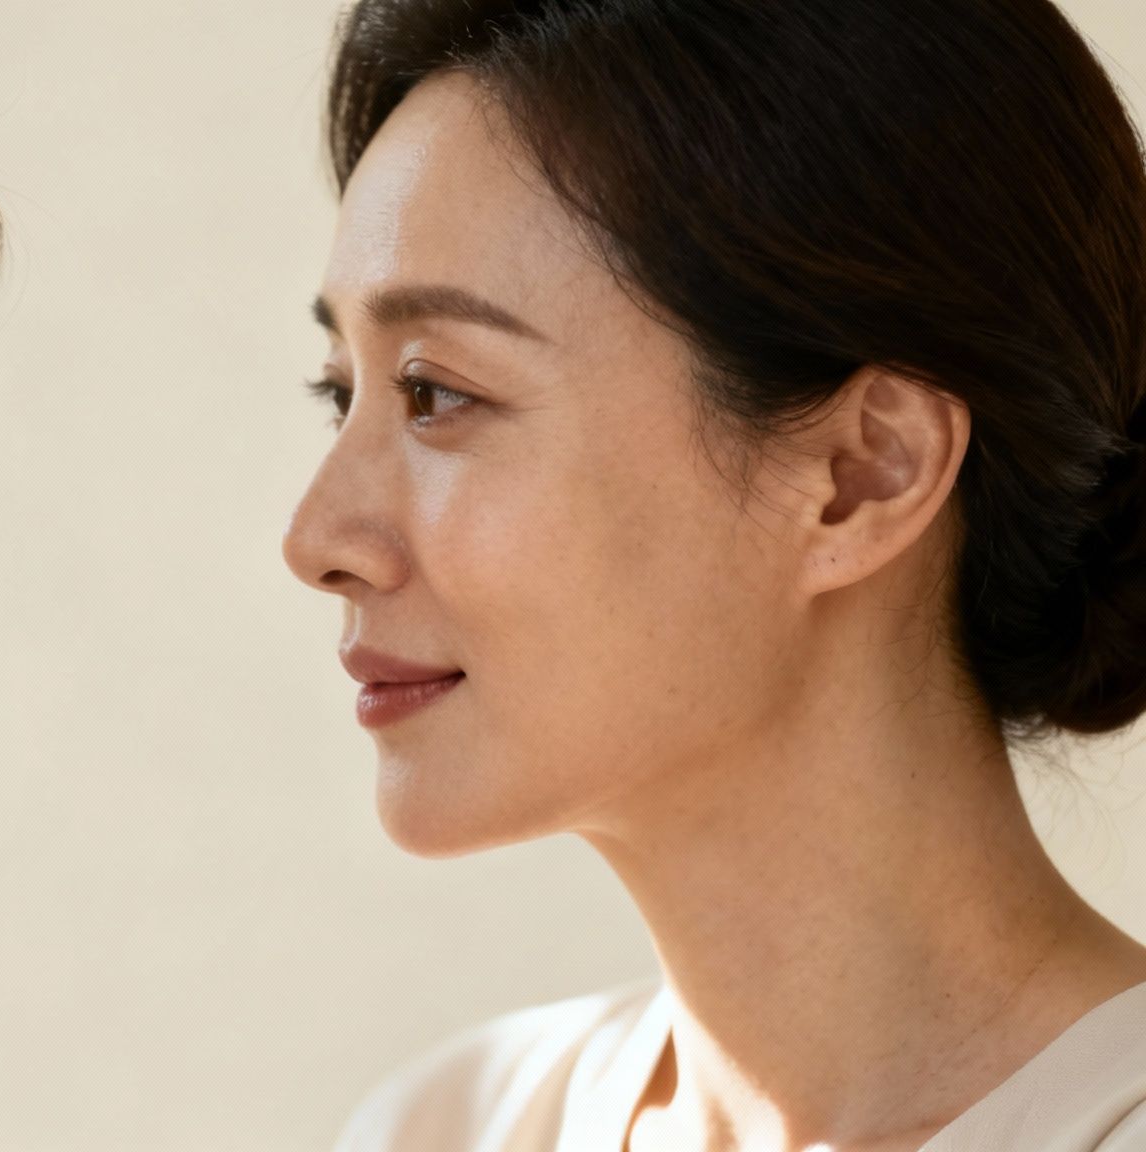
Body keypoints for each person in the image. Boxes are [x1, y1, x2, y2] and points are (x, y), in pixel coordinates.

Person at [284, 1, 1146, 1148]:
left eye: (437, 392)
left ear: (860, 473)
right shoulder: (449, 1127)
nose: (314, 537)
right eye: (340, 394)